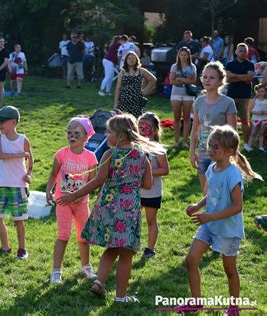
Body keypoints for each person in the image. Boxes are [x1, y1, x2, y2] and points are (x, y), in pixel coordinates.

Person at [57, 114, 163, 302]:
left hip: (108, 207)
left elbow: (98, 181)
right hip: (129, 210)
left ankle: (99, 282)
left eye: (109, 132)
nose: (106, 135)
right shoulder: (141, 156)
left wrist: (75, 194)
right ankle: (121, 296)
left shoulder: (109, 154)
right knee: (126, 254)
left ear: (121, 136)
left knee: (112, 248)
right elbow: (147, 184)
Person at [183, 125, 262, 314]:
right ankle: (196, 302)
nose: (210, 149)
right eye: (210, 145)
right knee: (191, 260)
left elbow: (237, 206)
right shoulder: (211, 167)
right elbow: (212, 194)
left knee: (229, 270)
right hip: (209, 224)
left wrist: (209, 215)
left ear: (229, 152)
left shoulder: (233, 174)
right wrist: (198, 206)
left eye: (215, 147)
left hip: (227, 229)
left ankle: (234, 307)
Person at [46, 117, 98, 283]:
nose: (72, 136)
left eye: (76, 133)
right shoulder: (62, 154)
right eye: (69, 133)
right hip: (63, 201)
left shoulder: (91, 158)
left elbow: (92, 181)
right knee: (63, 235)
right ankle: (56, 271)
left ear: (86, 137)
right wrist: (48, 190)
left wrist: (81, 195)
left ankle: (86, 267)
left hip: (81, 203)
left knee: (84, 236)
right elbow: (54, 174)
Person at [0, 106, 33, 260]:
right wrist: (18, 154)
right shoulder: (0, 138)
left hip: (19, 186)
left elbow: (30, 159)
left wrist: (28, 174)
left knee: (18, 220)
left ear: (14, 122)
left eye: (2, 121)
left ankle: (22, 249)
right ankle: (5, 248)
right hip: (3, 185)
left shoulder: (23, 140)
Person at [190, 61, 237, 193]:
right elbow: (194, 130)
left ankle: (221, 214)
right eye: (205, 77)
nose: (207, 80)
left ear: (220, 81)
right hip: (203, 154)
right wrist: (192, 152)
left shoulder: (228, 103)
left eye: (212, 77)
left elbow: (233, 133)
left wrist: (232, 154)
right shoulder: (198, 101)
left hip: (221, 154)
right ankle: (209, 213)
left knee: (218, 192)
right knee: (206, 194)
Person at [138, 112, 169, 259]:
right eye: (140, 127)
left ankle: (149, 249)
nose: (143, 130)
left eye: (147, 127)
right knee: (133, 218)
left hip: (152, 192)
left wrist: (147, 172)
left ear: (155, 129)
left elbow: (165, 169)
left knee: (150, 220)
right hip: (135, 192)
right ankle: (130, 243)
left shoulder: (157, 148)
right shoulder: (134, 146)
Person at [226, 43, 255, 144]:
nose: (243, 53)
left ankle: (246, 144)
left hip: (245, 97)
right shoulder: (230, 64)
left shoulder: (250, 64)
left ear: (247, 52)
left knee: (245, 121)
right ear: (236, 52)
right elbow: (227, 79)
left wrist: (234, 76)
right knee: (229, 121)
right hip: (231, 96)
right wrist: (243, 77)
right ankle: (230, 143)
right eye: (241, 51)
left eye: (245, 51)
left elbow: (249, 78)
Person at [114, 51, 156, 118]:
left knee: (136, 121)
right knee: (124, 122)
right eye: (129, 58)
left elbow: (153, 80)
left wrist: (145, 91)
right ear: (126, 61)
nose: (131, 60)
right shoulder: (122, 72)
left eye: (133, 58)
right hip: (124, 101)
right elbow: (118, 88)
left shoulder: (141, 71)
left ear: (137, 60)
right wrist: (116, 103)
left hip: (137, 101)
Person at [169, 47, 197, 148]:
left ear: (189, 56)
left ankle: (185, 141)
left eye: (186, 55)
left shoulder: (192, 67)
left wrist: (180, 78)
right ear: (179, 56)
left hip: (188, 95)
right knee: (176, 118)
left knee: (186, 118)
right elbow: (171, 81)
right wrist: (186, 79)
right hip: (176, 94)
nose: (184, 57)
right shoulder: (174, 66)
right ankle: (176, 141)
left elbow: (193, 81)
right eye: (182, 55)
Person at [245, 84, 267, 152]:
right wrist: (257, 113)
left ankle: (260, 147)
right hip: (256, 119)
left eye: (262, 91)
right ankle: (249, 146)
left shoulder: (266, 101)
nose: (260, 93)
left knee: (261, 133)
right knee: (253, 133)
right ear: (256, 91)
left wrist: (264, 112)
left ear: (265, 92)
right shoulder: (254, 100)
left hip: (264, 119)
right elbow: (250, 110)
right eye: (259, 91)